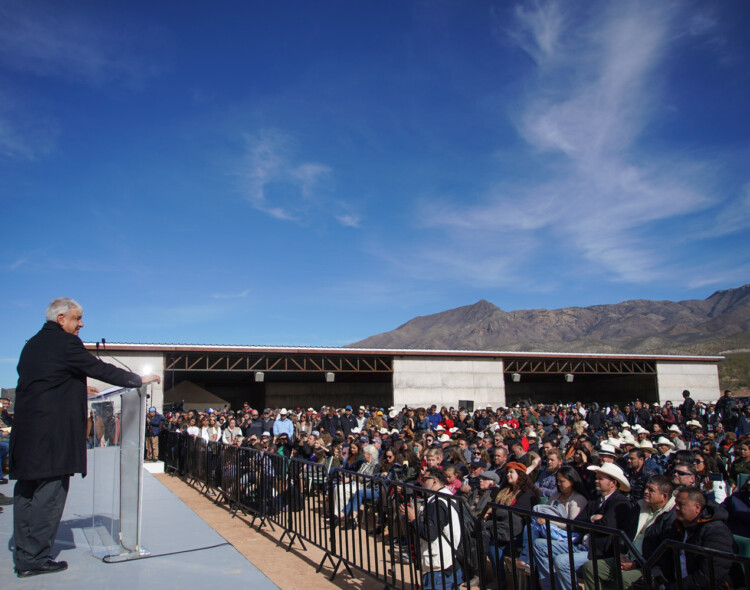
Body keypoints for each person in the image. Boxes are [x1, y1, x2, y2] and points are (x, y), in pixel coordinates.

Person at [9, 297, 160, 578]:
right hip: (53, 435)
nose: (81, 324)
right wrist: (138, 379)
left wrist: (79, 388)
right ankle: (35, 559)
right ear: (61, 318)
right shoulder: (66, 343)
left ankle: (23, 551)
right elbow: (100, 368)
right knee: (50, 493)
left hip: (28, 432)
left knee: (27, 492)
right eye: (77, 318)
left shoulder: (32, 344)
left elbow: (43, 379)